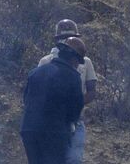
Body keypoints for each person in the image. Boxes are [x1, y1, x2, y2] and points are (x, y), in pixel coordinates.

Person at [37, 19, 97, 164]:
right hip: (52, 122)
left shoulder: (85, 62)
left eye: (71, 38)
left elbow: (91, 91)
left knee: (74, 159)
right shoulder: (46, 61)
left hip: (75, 120)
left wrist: (74, 105)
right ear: (57, 41)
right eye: (63, 39)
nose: (68, 41)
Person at [20, 36, 88, 164]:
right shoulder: (73, 77)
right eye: (78, 61)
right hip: (54, 132)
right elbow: (74, 111)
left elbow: (26, 99)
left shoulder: (35, 72)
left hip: (29, 130)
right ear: (74, 59)